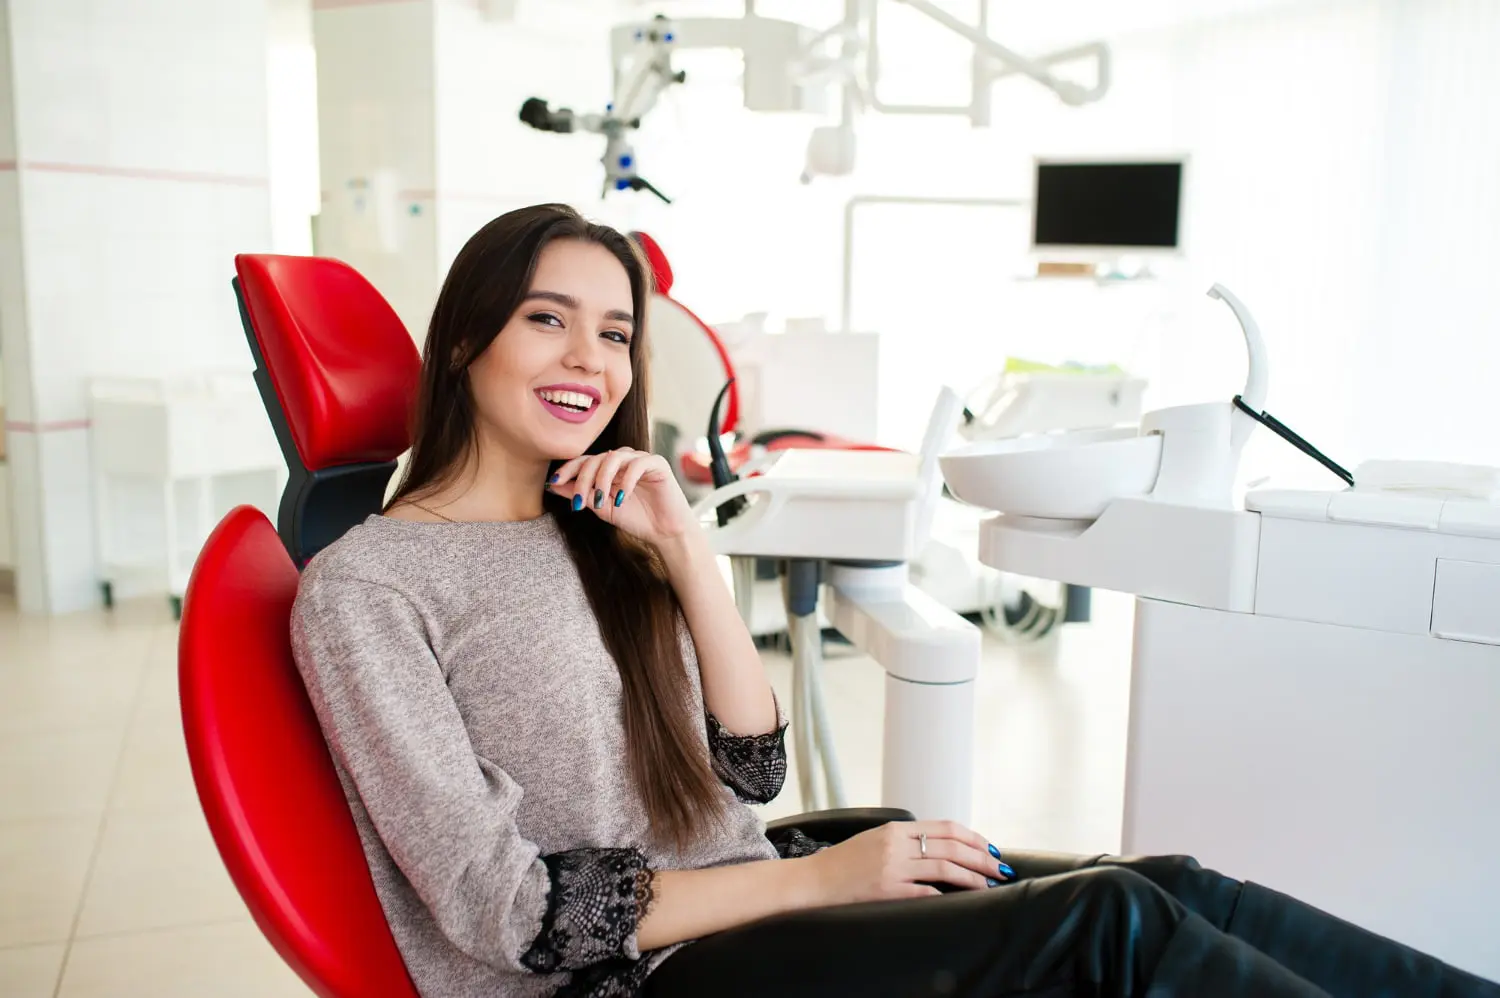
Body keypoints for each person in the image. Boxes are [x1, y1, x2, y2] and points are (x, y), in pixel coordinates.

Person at [289, 203, 1498, 998]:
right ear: (462, 343)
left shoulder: (597, 529)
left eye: (614, 333)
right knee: (1118, 929)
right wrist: (826, 877)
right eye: (545, 319)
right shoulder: (369, 587)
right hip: (633, 979)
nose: (588, 362)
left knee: (1172, 882)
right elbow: (510, 914)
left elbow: (749, 775)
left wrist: (685, 559)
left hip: (743, 899)